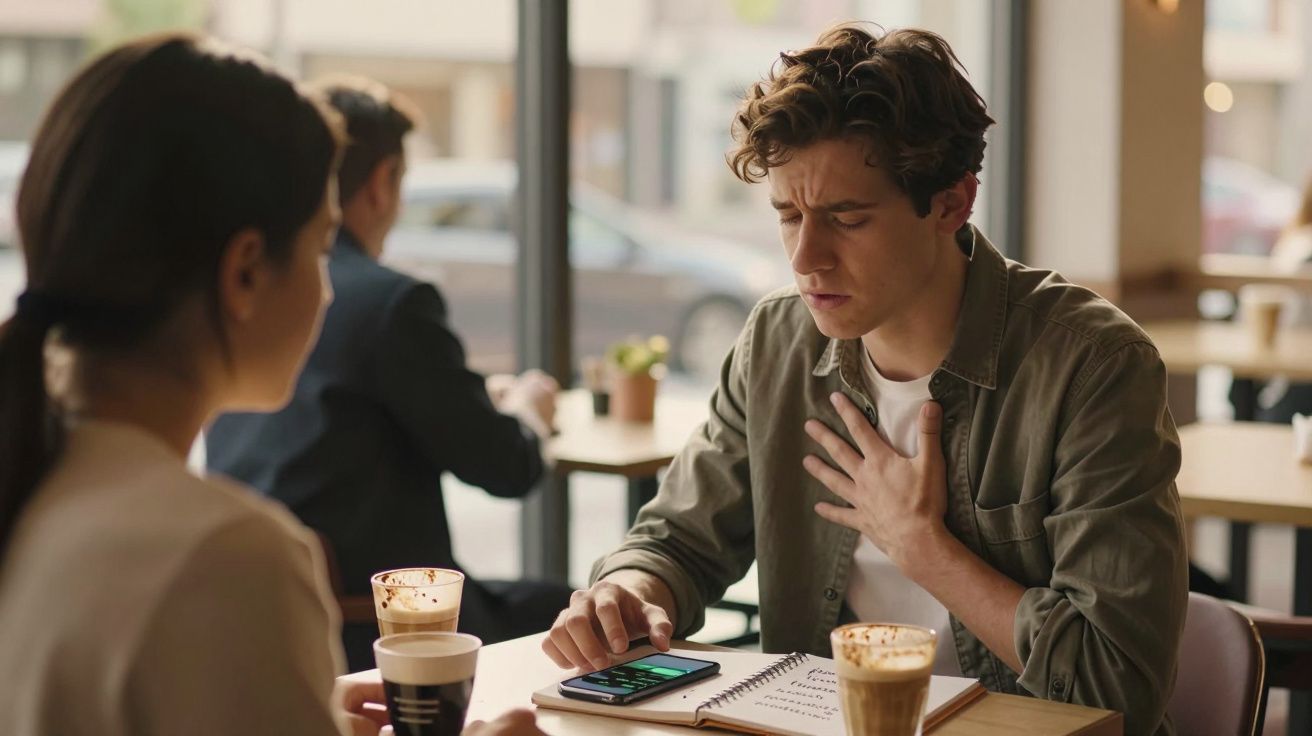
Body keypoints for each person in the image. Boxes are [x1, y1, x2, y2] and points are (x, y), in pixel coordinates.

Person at [543, 25, 1187, 736]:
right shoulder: (776, 343)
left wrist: (925, 550)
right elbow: (680, 541)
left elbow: (1118, 683)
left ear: (951, 203)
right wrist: (629, 591)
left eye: (846, 218)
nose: (806, 257)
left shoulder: (1092, 366)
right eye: (788, 215)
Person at [0, 33, 543, 736]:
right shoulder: (227, 557)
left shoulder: (39, 485)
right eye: (321, 248)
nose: (326, 291)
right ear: (246, 272)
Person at [205, 75, 570, 672]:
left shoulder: (247, 290)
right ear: (383, 183)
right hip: (383, 630)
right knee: (594, 618)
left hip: (261, 617)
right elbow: (507, 466)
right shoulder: (389, 302)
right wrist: (530, 407)